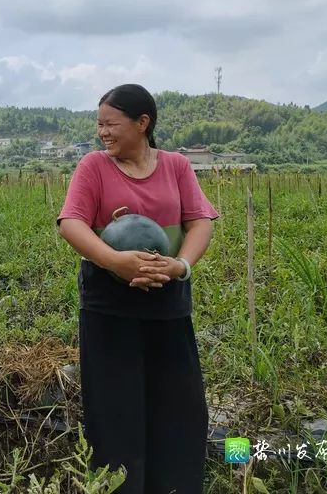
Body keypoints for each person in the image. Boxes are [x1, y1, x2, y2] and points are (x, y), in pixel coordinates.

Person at [57, 84, 217, 493]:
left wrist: (181, 264)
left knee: (180, 408)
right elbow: (71, 223)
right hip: (110, 308)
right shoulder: (93, 166)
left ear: (143, 123)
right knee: (116, 411)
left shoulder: (177, 166)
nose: (103, 133)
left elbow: (200, 221)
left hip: (167, 304)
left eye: (111, 124)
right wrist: (116, 262)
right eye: (99, 124)